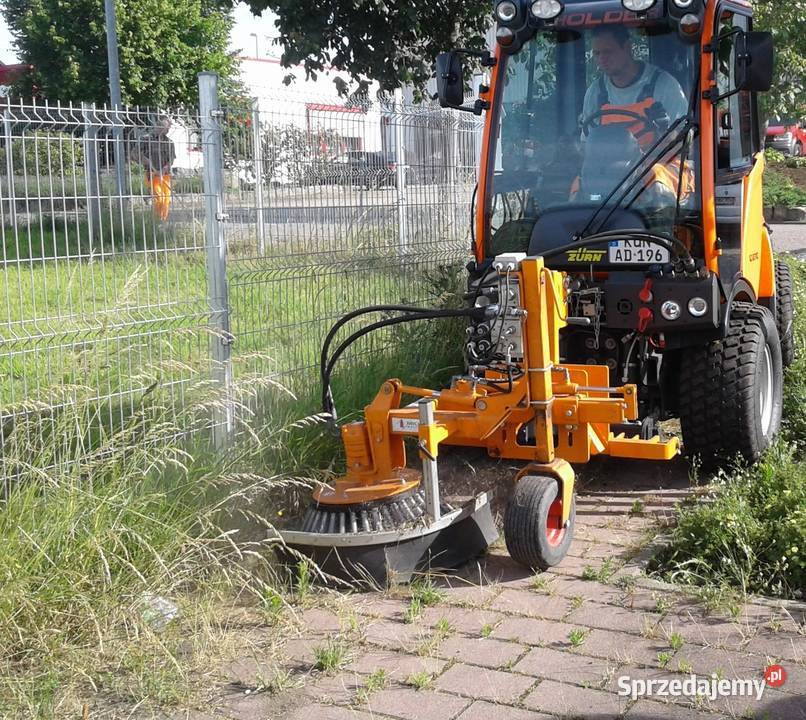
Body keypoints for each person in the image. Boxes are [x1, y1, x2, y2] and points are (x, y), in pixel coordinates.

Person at [582, 24, 688, 149]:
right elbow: (586, 145)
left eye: (608, 52)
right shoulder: (595, 92)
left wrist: (664, 133)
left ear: (627, 48)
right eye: (597, 53)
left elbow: (687, 144)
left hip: (655, 167)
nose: (601, 59)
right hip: (608, 168)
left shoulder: (665, 86)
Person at [131, 116, 176, 221]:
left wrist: (164, 169)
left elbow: (171, 159)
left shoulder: (169, 142)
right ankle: (156, 220)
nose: (168, 130)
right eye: (166, 128)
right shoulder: (146, 139)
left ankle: (162, 220)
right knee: (159, 197)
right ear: (159, 127)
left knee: (166, 199)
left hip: (165, 175)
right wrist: (143, 159)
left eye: (169, 128)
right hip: (151, 174)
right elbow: (134, 153)